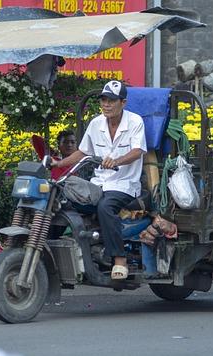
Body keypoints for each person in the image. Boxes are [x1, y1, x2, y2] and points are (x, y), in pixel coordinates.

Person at [51, 80, 147, 280]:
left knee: (105, 206)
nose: (106, 104)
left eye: (111, 100)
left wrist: (117, 160)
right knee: (60, 201)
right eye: (103, 100)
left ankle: (119, 260)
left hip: (125, 184)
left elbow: (138, 151)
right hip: (99, 182)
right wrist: (58, 164)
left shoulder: (135, 121)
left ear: (123, 102)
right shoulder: (96, 124)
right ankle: (53, 251)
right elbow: (82, 152)